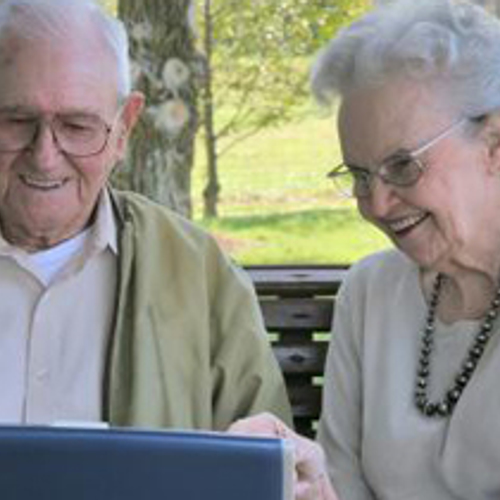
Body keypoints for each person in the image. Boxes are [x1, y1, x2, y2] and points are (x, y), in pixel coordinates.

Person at [230, 0, 500, 498]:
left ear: (494, 144)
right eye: (358, 175)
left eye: (403, 165)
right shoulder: (371, 292)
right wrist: (310, 479)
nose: (375, 203)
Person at [0, 0, 292, 431]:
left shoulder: (198, 272)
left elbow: (268, 463)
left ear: (124, 128)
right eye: (16, 121)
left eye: (78, 127)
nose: (45, 156)